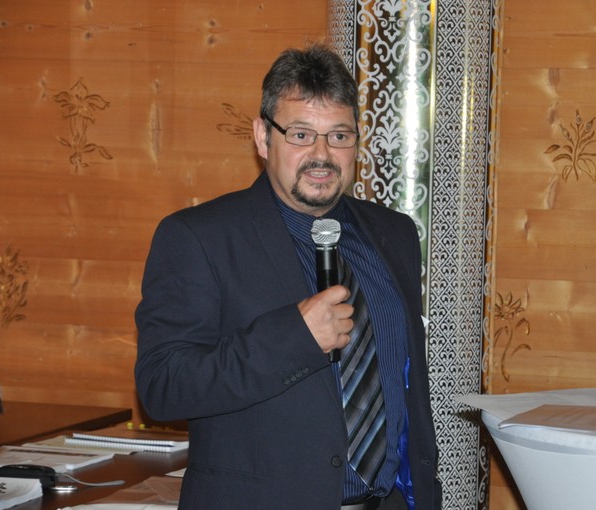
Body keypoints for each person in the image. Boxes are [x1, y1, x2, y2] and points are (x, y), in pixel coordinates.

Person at [135, 44, 442, 510]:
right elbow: (163, 387)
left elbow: (408, 396)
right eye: (301, 134)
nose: (322, 155)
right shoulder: (198, 238)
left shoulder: (394, 234)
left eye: (339, 136)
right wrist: (295, 338)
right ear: (263, 138)